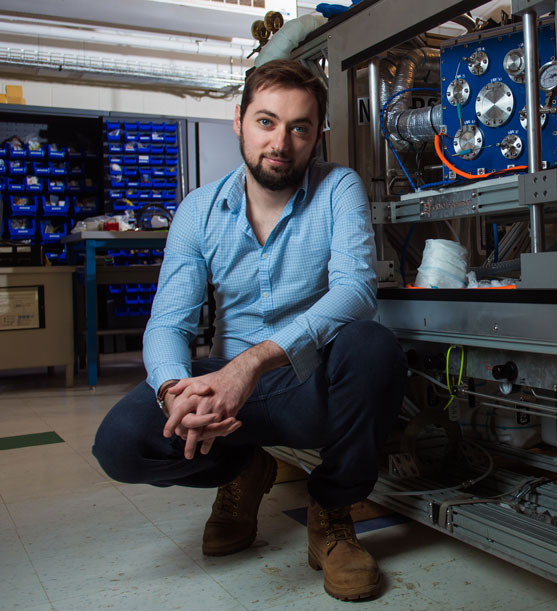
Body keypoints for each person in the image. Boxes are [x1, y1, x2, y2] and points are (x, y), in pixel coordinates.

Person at [92, 59, 407, 602]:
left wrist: (251, 364)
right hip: (224, 396)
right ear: (237, 121)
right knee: (119, 444)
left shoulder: (338, 188)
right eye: (266, 122)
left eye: (299, 127)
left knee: (372, 345)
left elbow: (356, 291)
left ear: (316, 136)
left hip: (303, 381)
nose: (281, 142)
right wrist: (174, 392)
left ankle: (332, 513)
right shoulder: (198, 210)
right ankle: (241, 467)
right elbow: (168, 321)